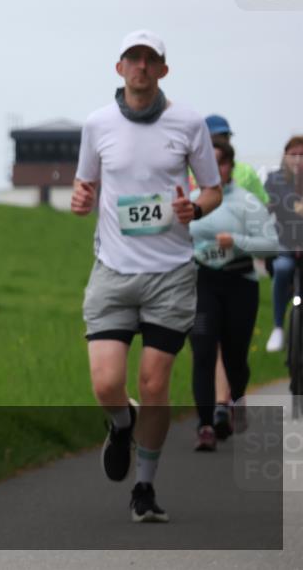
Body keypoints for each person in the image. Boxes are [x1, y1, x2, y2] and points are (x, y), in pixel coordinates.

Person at [71, 29, 222, 523]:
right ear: (119, 69)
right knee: (106, 383)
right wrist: (81, 199)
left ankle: (144, 486)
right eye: (132, 59)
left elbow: (212, 192)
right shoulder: (98, 124)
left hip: (171, 274)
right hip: (113, 271)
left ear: (162, 69)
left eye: (149, 59)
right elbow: (86, 181)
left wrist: (193, 208)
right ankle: (121, 423)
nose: (140, 66)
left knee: (155, 384)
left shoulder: (189, 123)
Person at [188, 141, 278, 450]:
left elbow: (271, 244)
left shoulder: (247, 202)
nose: (214, 170)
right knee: (202, 351)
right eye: (207, 165)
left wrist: (237, 241)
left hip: (240, 283)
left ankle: (237, 397)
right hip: (202, 283)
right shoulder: (190, 201)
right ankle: (205, 425)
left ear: (230, 166)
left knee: (234, 356)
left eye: (220, 164)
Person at [264, 136, 303, 352]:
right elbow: (263, 211)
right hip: (285, 244)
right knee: (282, 268)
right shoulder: (274, 180)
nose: (298, 160)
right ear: (285, 157)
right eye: (293, 155)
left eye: (302, 155)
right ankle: (278, 327)